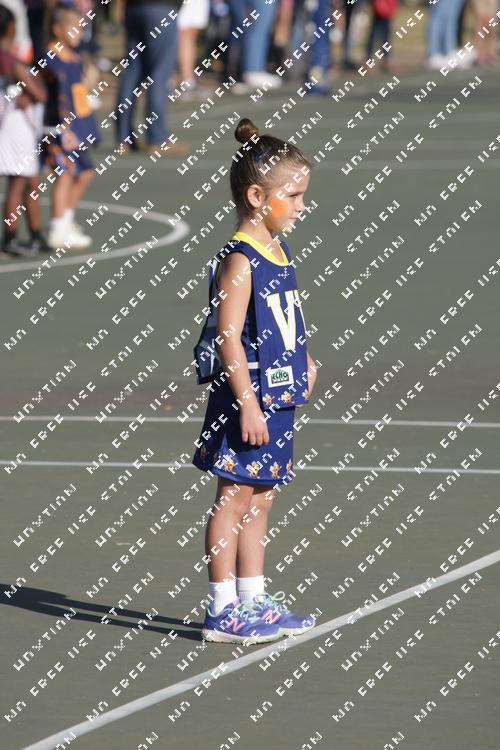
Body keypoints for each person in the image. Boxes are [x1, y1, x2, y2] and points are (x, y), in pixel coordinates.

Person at [191, 117, 319, 644]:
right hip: (248, 397)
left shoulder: (277, 251)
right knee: (234, 497)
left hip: (277, 396)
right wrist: (246, 404)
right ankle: (222, 609)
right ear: (257, 197)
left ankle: (253, 599)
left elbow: (281, 319)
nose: (302, 206)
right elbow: (228, 339)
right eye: (294, 195)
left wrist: (305, 361)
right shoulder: (241, 261)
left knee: (261, 497)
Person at [42, 2, 99, 249]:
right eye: (74, 28)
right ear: (58, 29)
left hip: (77, 127)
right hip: (58, 129)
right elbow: (57, 99)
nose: (79, 33)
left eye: (81, 28)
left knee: (85, 173)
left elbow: (77, 96)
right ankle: (57, 228)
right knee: (64, 174)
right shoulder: (51, 59)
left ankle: (66, 220)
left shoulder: (75, 58)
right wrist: (63, 129)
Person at [0, 3, 48, 257]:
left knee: (30, 181)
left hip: (14, 126)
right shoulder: (11, 61)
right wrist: (32, 88)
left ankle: (35, 234)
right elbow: (39, 93)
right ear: (10, 27)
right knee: (17, 184)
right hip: (16, 127)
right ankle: (9, 237)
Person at [115, 0, 187, 153]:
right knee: (160, 74)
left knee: (132, 71)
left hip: (133, 8)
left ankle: (123, 138)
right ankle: (157, 139)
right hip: (161, 8)